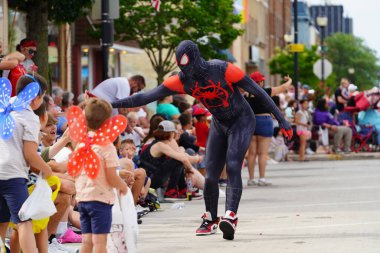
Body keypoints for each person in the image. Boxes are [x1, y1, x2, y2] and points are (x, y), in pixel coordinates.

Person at [111, 40, 292, 240]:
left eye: (190, 68)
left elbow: (258, 93)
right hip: (219, 122)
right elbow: (144, 97)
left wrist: (281, 119)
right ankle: (211, 218)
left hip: (241, 119)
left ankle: (230, 215)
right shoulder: (180, 79)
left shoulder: (223, 69)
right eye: (184, 69)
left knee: (232, 164)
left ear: (197, 60)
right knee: (212, 174)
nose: (189, 74)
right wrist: (109, 103)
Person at [0, 74, 53, 253]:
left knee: (1, 220)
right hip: (12, 174)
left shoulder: (4, 104)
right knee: (24, 222)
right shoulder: (29, 116)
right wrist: (47, 170)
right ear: (36, 97)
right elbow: (30, 155)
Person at [73, 98, 128, 253]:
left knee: (86, 240)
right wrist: (122, 186)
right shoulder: (106, 145)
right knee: (100, 242)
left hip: (83, 199)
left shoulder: (82, 143)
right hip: (100, 200)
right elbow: (111, 176)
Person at [245, 72, 292, 186]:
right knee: (262, 153)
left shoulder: (246, 96)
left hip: (251, 123)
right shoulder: (266, 92)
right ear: (260, 82)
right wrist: (289, 80)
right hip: (265, 122)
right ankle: (262, 178)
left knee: (251, 153)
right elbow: (283, 87)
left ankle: (251, 179)